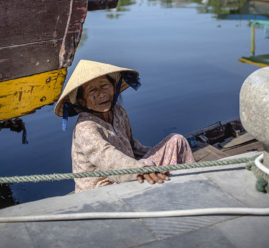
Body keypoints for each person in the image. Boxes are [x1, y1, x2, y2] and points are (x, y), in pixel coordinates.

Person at [55, 60, 195, 193]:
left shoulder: (119, 112)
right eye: (92, 91)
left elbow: (132, 147)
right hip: (102, 189)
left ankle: (193, 184)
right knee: (146, 165)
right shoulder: (85, 127)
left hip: (130, 171)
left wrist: (152, 163)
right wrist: (142, 168)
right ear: (82, 101)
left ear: (114, 87)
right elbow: (109, 158)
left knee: (177, 140)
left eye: (104, 85)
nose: (102, 93)